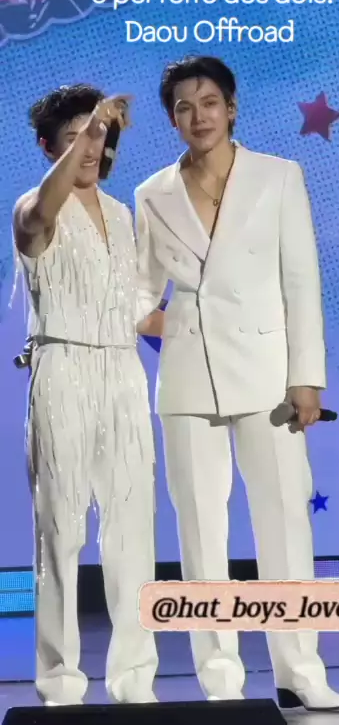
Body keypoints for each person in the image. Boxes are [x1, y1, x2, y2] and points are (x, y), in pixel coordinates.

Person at [135, 55, 339, 712]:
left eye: (208, 102)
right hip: (188, 377)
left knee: (285, 521)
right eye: (183, 107)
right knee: (201, 532)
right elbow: (140, 293)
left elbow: (301, 282)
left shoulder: (278, 176)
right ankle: (221, 678)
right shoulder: (152, 193)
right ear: (172, 119)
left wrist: (307, 378)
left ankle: (301, 669)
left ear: (230, 108)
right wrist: (171, 323)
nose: (197, 116)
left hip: (268, 375)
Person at [12, 85, 162, 706]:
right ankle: (60, 685)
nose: (91, 148)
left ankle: (135, 681)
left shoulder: (124, 216)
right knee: (61, 531)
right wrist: (95, 121)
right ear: (48, 148)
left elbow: (138, 312)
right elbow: (40, 218)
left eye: (98, 135)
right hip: (63, 367)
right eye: (75, 138)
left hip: (122, 373)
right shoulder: (32, 206)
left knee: (133, 532)